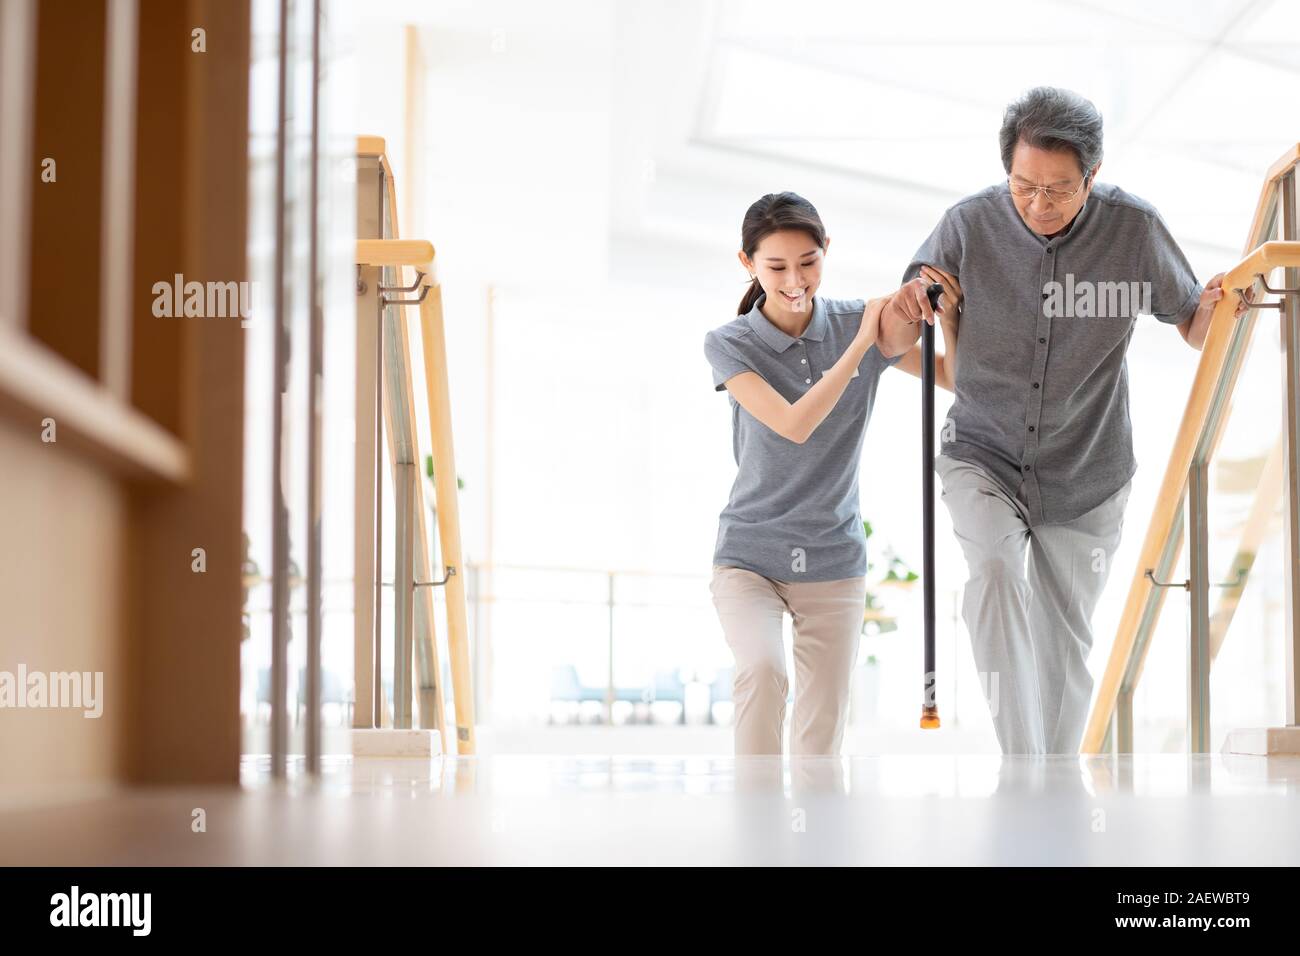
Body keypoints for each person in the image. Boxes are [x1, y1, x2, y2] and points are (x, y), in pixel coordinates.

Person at [886, 86, 1249, 755]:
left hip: (1088, 469)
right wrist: (921, 295)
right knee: (993, 573)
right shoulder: (968, 224)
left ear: (1093, 176)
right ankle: (1022, 766)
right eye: (1023, 186)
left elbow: (1192, 323)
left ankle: (1053, 778)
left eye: (1058, 189)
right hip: (983, 454)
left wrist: (1221, 304)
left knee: (1065, 639)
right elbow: (912, 302)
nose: (1038, 205)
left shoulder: (1134, 230)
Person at [703, 191, 950, 756]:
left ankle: (815, 842)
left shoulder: (857, 318)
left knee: (821, 734)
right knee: (763, 673)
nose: (795, 279)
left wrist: (944, 310)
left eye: (808, 262)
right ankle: (758, 832)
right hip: (749, 556)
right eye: (777, 266)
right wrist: (864, 340)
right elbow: (795, 424)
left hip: (833, 559)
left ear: (826, 251)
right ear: (748, 263)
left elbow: (952, 374)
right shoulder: (729, 343)